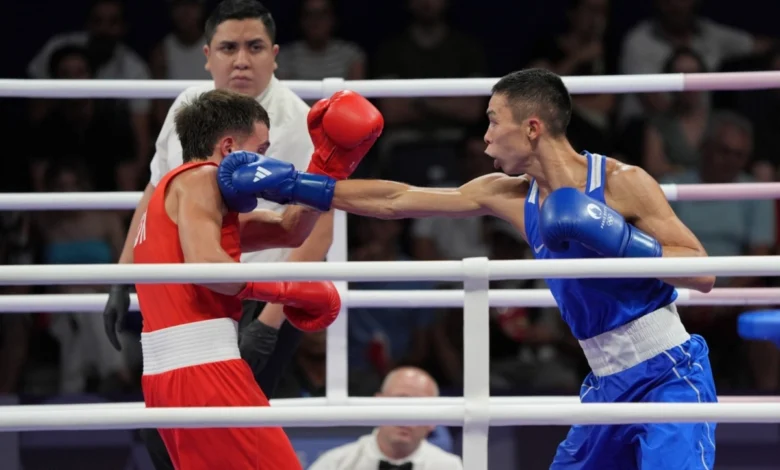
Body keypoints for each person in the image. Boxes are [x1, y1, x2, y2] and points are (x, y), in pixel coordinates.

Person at [223, 68, 718, 469]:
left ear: (532, 128)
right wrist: (296, 185)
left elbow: (702, 271)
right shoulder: (507, 195)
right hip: (606, 382)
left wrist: (620, 239)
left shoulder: (619, 183)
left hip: (669, 373)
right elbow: (398, 199)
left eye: (493, 121)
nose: (484, 138)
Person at [99, 1, 350, 467]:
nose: (241, 61)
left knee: (226, 445)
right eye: (229, 48)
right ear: (207, 55)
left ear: (274, 54)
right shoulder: (191, 124)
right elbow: (160, 202)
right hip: (193, 310)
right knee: (180, 446)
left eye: (254, 47)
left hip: (244, 305)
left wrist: (269, 322)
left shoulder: (293, 123)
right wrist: (123, 274)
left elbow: (305, 232)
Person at [135, 86, 380, 470]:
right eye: (262, 150)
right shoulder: (200, 178)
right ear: (230, 149)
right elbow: (207, 267)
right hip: (205, 371)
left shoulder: (172, 202)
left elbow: (289, 230)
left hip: (167, 376)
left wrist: (326, 166)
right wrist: (287, 292)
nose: (265, 161)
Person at [308, 367, 462, 469]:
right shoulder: (336, 464)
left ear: (433, 420)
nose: (407, 416)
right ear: (377, 404)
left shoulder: (449, 467)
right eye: (400, 402)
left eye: (419, 407)